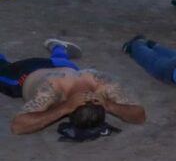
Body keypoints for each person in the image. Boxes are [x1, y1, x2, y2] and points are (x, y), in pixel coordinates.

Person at [2, 39, 145, 135]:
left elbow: (140, 116)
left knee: (64, 64)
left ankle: (59, 48)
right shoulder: (51, 90)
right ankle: (58, 49)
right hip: (25, 73)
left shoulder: (101, 82)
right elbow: (18, 126)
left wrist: (108, 105)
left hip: (66, 67)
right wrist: (64, 108)